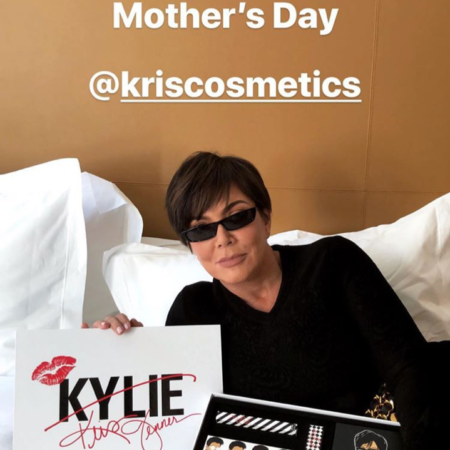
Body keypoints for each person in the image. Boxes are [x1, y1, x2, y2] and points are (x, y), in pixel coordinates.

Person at [84, 151, 444, 450]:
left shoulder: (333, 263)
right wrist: (123, 354)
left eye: (236, 217)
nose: (222, 239)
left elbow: (409, 368)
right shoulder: (192, 309)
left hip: (366, 436)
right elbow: (172, 418)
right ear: (190, 244)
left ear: (266, 218)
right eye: (201, 228)